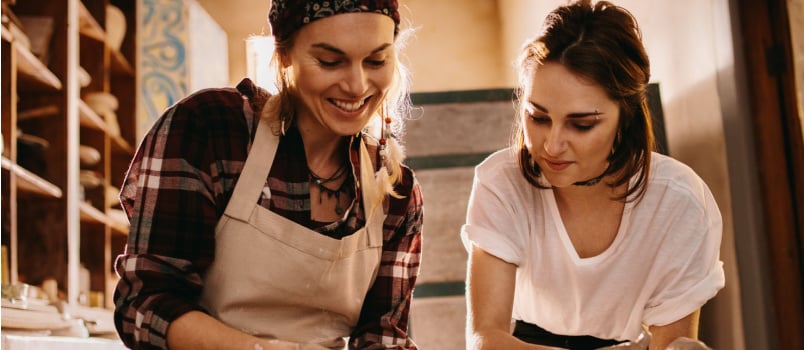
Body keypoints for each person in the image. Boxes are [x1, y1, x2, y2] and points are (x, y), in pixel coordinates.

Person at [113, 1, 423, 349]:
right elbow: (144, 305)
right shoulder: (211, 130)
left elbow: (382, 337)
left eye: (376, 61)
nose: (356, 85)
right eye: (330, 61)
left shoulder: (395, 191)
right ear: (285, 53)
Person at [462, 1, 725, 349]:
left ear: (625, 118)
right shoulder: (500, 182)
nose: (552, 145)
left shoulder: (679, 201)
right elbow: (484, 339)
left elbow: (673, 342)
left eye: (582, 124)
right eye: (538, 118)